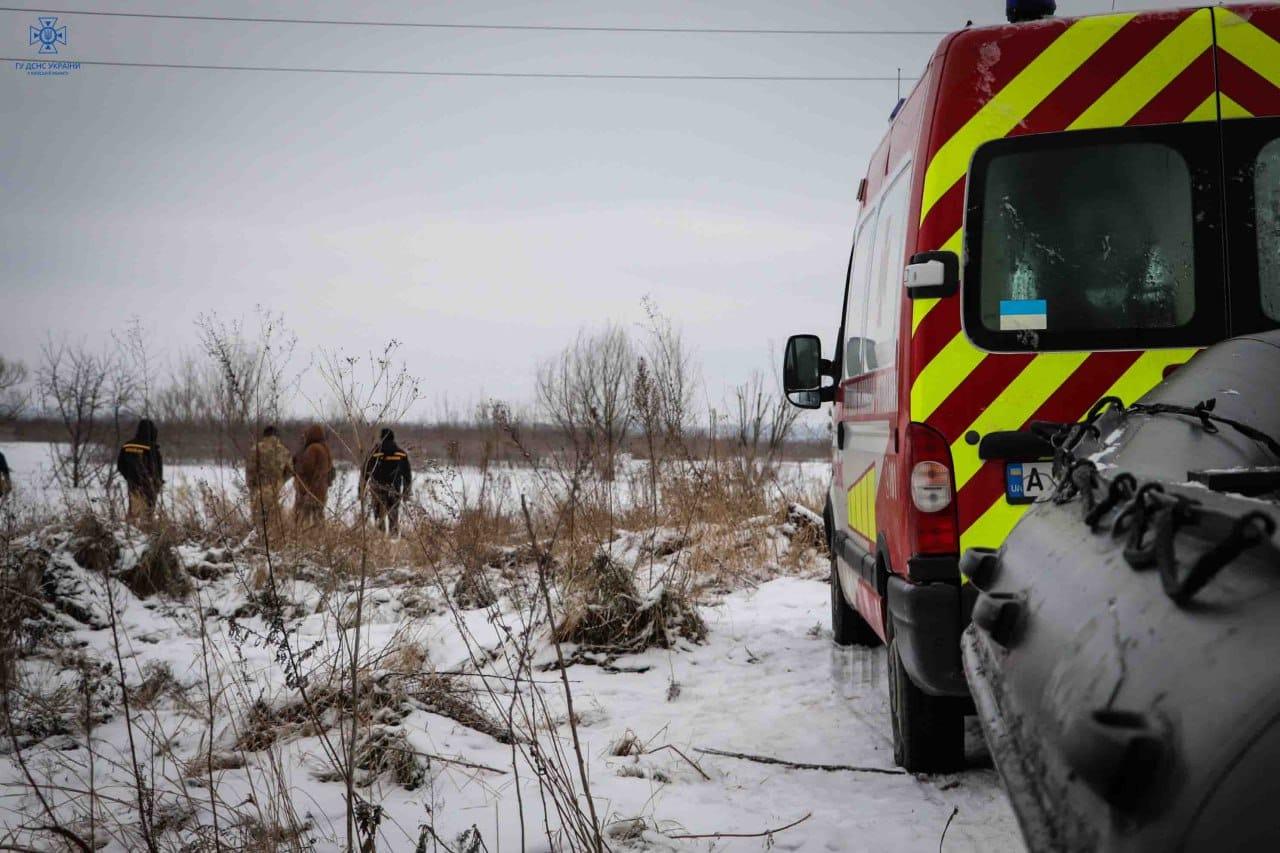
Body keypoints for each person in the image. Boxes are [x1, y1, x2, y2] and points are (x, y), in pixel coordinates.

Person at [362, 428, 412, 535]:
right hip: (395, 489)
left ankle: (381, 540)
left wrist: (361, 490)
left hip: (377, 489)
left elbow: (365, 472)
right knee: (393, 515)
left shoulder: (374, 453)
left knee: (379, 515)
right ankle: (393, 539)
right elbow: (407, 476)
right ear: (393, 438)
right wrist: (406, 492)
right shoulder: (401, 454)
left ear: (381, 438)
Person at [245, 425, 293, 528]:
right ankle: (274, 541)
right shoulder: (284, 451)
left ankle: (257, 540)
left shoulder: (255, 449)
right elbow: (290, 471)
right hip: (275, 490)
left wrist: (251, 486)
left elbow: (250, 470)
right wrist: (281, 481)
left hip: (258, 489)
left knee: (258, 522)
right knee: (273, 521)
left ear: (265, 435)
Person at [117, 418, 163, 523]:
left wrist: (129, 477)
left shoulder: (127, 445)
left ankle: (130, 531)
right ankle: (145, 531)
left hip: (132, 484)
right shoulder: (152, 448)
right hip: (149, 485)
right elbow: (156, 468)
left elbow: (120, 465)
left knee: (134, 510)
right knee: (147, 512)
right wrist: (157, 483)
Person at [292, 425, 334, 527]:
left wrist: (296, 463)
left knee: (303, 520)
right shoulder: (325, 449)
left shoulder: (313, 449)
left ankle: (306, 539)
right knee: (318, 518)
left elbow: (306, 468)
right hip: (321, 490)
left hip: (309, 490)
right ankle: (320, 539)